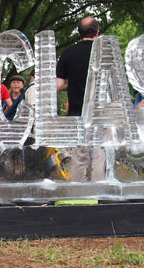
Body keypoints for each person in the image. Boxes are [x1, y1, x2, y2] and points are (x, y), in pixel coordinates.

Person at [56, 17, 105, 182]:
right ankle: (99, 187)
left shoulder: (68, 53)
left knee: (79, 153)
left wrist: (74, 83)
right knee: (100, 151)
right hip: (101, 109)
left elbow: (58, 84)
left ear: (78, 33)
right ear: (97, 33)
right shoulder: (104, 52)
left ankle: (79, 188)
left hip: (77, 110)